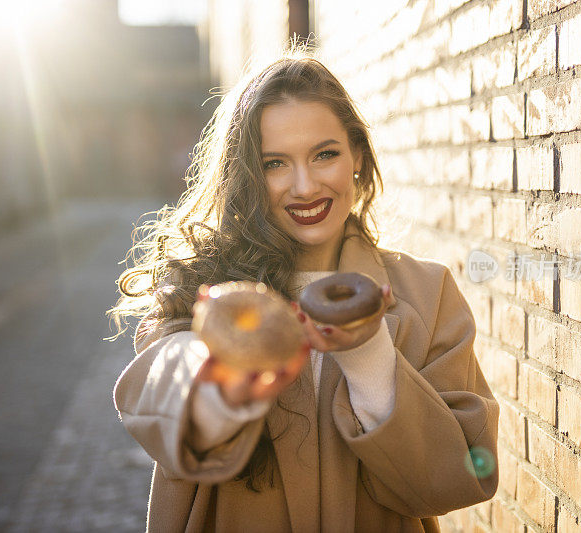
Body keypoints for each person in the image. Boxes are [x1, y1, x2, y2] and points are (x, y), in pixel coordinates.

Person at [108, 48, 499, 532]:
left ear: (356, 154)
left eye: (325, 154)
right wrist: (219, 382)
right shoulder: (197, 287)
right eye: (274, 163)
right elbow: (157, 399)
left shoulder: (428, 292)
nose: (305, 185)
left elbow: (460, 478)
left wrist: (371, 357)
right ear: (246, 175)